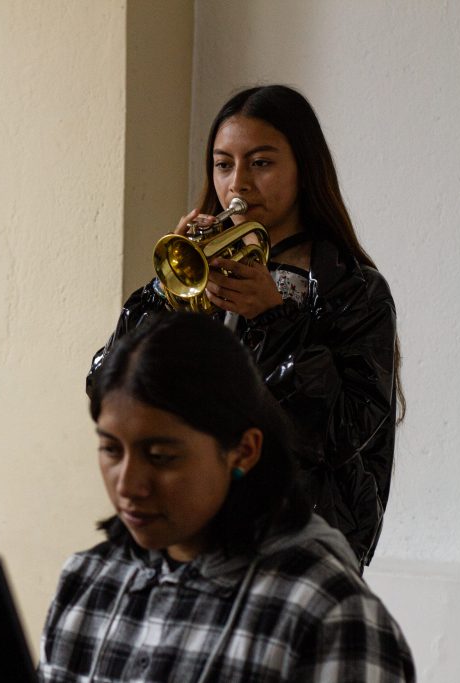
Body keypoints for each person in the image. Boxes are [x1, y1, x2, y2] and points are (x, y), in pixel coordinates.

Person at [87, 85, 401, 567]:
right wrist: (165, 296)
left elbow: (346, 432)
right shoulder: (201, 268)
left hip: (299, 542)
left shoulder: (355, 290)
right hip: (188, 531)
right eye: (223, 164)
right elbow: (107, 391)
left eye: (261, 163)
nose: (238, 185)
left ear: (304, 168)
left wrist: (275, 319)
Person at [42, 313, 413, 682]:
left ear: (243, 451)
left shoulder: (327, 613)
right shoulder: (86, 581)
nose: (128, 484)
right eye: (111, 450)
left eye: (161, 456)